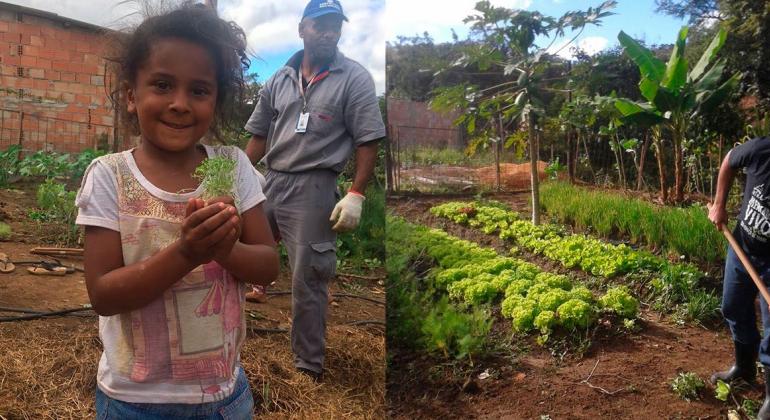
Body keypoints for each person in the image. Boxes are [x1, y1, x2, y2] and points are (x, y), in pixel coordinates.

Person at [75, 5, 279, 418]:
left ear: (216, 100)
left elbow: (267, 266)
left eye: (199, 90)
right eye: (163, 85)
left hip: (223, 398)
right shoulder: (108, 177)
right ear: (132, 95)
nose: (180, 104)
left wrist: (225, 250)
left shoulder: (234, 166)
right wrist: (186, 253)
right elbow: (102, 295)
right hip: (133, 401)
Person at [242, 0, 385, 380]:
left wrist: (356, 194)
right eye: (320, 24)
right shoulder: (279, 78)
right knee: (232, 249)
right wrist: (235, 174)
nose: (328, 32)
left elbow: (368, 140)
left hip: (313, 188)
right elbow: (258, 135)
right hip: (271, 182)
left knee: (308, 277)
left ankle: (307, 368)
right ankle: (225, 341)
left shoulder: (353, 78)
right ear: (302, 28)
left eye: (335, 26)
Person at [709, 136, 770, 418]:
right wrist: (719, 204)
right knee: (733, 307)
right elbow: (730, 160)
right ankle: (744, 369)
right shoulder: (762, 149)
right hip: (743, 246)